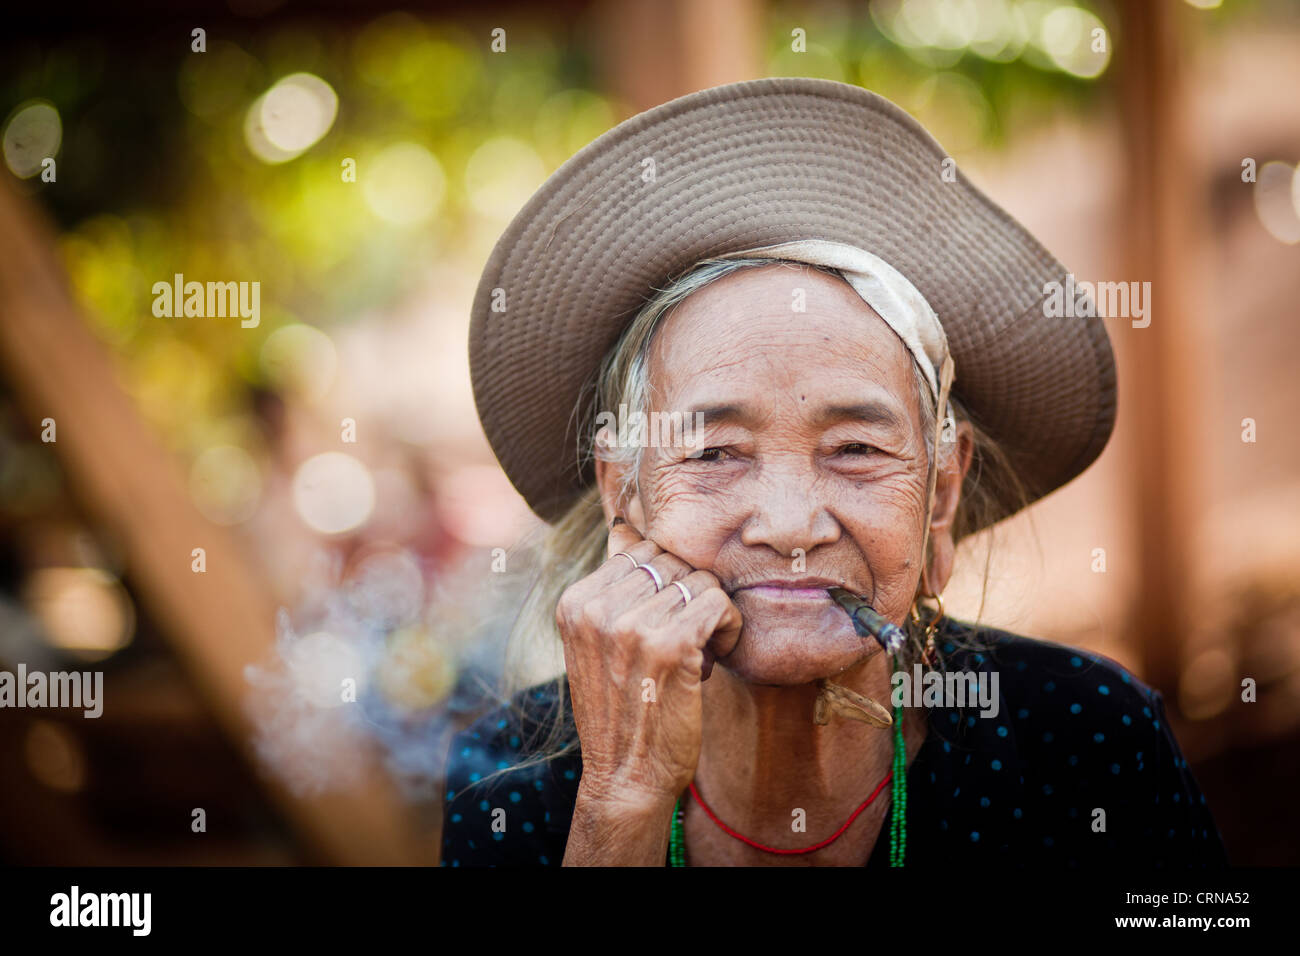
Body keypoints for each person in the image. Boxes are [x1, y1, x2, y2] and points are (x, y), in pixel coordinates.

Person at [441, 77, 1227, 867]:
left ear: (942, 496)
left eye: (856, 449)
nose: (789, 525)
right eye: (714, 453)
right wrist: (623, 802)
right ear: (627, 497)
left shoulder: (1086, 736)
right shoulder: (510, 784)